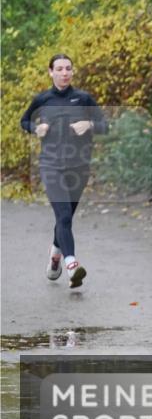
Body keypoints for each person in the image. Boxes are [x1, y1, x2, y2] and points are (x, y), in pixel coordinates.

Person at [21, 54, 108, 288]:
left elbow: (105, 125)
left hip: (79, 167)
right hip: (50, 166)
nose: (64, 73)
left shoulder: (83, 98)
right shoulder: (43, 99)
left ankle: (55, 256)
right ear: (50, 72)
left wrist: (89, 124)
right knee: (64, 217)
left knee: (64, 217)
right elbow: (24, 121)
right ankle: (72, 265)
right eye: (59, 69)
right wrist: (35, 128)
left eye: (68, 68)